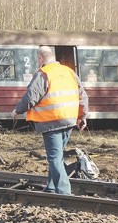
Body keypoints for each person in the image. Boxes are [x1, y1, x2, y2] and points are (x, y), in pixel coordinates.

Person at [11, 46, 88, 195]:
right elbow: (82, 95)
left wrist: (17, 111)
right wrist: (82, 116)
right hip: (69, 120)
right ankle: (52, 186)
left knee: (54, 158)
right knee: (57, 156)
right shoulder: (69, 72)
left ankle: (64, 192)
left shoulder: (43, 74)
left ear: (40, 58)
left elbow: (30, 98)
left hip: (51, 121)